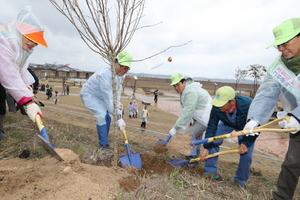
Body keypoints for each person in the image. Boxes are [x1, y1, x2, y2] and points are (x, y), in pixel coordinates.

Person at [243, 17, 300, 199]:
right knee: (292, 163)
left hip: (297, 119)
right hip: (296, 124)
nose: (281, 49)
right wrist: (255, 119)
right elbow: (267, 93)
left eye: (285, 43)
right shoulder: (278, 67)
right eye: (278, 46)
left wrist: (297, 116)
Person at [0, 6, 48, 140]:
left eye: (36, 41)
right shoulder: (4, 42)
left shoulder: (22, 49)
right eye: (30, 38)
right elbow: (7, 73)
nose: (33, 43)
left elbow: (20, 69)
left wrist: (26, 88)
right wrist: (27, 101)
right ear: (20, 32)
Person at [199, 86, 256, 188]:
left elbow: (257, 127)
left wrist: (246, 143)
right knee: (213, 141)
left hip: (246, 127)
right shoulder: (217, 107)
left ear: (232, 102)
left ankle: (240, 180)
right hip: (227, 123)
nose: (218, 106)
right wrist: (206, 147)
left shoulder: (249, 105)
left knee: (246, 153)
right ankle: (211, 171)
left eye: (221, 103)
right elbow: (212, 126)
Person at [80, 52, 132, 150]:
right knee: (102, 115)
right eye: (121, 66)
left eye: (126, 68)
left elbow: (116, 92)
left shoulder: (121, 75)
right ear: (114, 62)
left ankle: (105, 142)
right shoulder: (105, 75)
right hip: (90, 95)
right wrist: (118, 117)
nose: (123, 70)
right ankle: (103, 145)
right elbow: (108, 98)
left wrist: (118, 110)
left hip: (103, 96)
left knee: (109, 116)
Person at [169, 73, 212, 160]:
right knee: (195, 140)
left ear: (184, 82)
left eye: (178, 85)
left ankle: (190, 161)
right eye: (174, 86)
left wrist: (175, 128)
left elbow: (187, 112)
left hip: (205, 117)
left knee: (188, 137)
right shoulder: (185, 90)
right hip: (199, 117)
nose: (176, 88)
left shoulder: (190, 91)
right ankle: (193, 161)